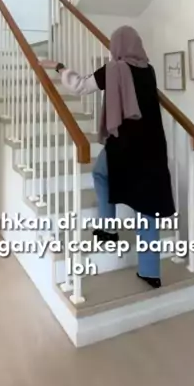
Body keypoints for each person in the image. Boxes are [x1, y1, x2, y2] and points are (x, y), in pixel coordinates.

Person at [45, 26, 175, 289]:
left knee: (100, 173)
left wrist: (59, 67)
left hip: (125, 145)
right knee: (146, 206)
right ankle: (150, 272)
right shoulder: (149, 71)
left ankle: (108, 228)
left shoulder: (113, 70)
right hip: (152, 146)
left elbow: (79, 86)